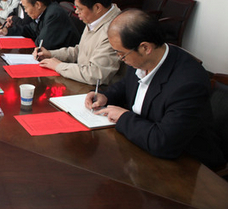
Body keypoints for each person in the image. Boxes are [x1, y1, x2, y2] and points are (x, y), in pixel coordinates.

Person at [85, 9, 226, 169]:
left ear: (145, 48)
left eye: (121, 54)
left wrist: (123, 117)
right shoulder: (142, 60)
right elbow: (126, 85)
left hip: (188, 165)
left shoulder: (188, 84)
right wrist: (106, 96)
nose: (120, 59)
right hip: (140, 146)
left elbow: (163, 142)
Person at [36, 0, 121, 85]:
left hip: (98, 90)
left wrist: (59, 66)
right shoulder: (96, 18)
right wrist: (50, 54)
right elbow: (80, 51)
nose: (76, 12)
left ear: (97, 8)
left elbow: (96, 74)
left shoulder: (114, 30)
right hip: (82, 82)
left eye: (80, 8)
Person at [16, 0, 80, 50]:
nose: (25, 11)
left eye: (25, 7)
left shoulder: (54, 14)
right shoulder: (44, 12)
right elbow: (30, 30)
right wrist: (9, 30)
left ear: (38, 5)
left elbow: (42, 44)